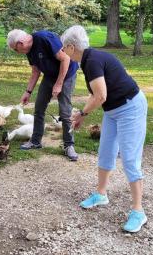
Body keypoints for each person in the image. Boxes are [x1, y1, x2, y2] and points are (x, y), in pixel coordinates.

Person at [61, 25, 148, 233]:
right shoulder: (89, 60)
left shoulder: (92, 61)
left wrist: (83, 114)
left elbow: (101, 96)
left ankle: (138, 211)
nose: (63, 52)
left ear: (72, 47)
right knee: (106, 151)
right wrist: (82, 113)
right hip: (113, 111)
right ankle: (101, 194)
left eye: (64, 48)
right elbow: (97, 94)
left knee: (129, 158)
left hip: (130, 108)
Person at [7, 29, 79, 161]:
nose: (17, 52)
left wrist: (59, 84)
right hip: (50, 75)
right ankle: (36, 141)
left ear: (21, 43)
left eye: (15, 49)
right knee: (39, 107)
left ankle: (69, 145)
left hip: (66, 74)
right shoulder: (29, 51)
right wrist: (28, 92)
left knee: (65, 111)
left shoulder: (44, 39)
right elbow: (35, 71)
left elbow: (66, 59)